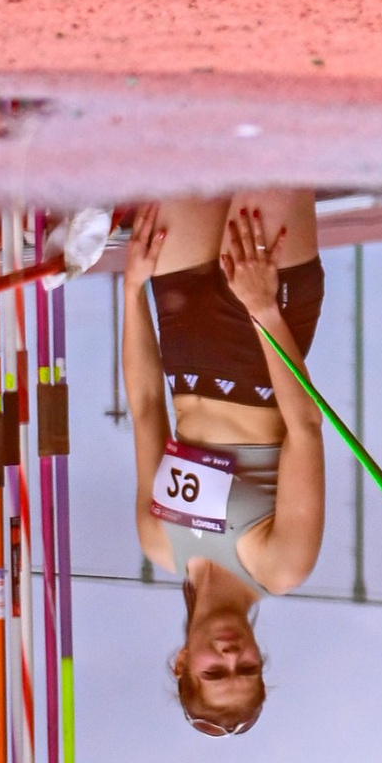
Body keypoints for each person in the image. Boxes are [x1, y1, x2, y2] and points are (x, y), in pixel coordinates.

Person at [127, 195, 328, 733]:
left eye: (216, 672)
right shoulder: (282, 566)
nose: (231, 654)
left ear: (182, 664)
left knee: (191, 127)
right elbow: (305, 431)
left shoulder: (159, 541)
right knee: (272, 121)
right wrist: (262, 309)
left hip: (183, 321)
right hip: (259, 324)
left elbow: (148, 410)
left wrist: (131, 293)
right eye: (248, 668)